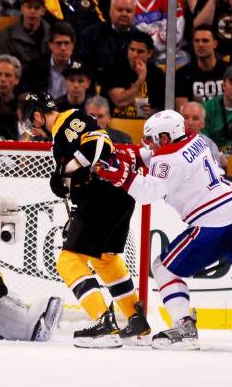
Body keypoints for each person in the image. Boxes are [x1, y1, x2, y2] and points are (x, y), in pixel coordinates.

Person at [107, 110, 232, 349]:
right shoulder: (196, 140)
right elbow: (150, 155)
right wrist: (113, 152)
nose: (148, 143)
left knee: (164, 268)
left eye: (152, 138)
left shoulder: (169, 158)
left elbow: (146, 192)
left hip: (213, 224)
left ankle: (184, 327)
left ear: (165, 137)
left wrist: (113, 171)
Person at [22, 91, 150, 348]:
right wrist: (66, 181)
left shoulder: (67, 121)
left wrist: (65, 170)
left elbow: (98, 144)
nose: (30, 129)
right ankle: (136, 319)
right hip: (118, 194)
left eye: (29, 122)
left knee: (68, 261)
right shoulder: (64, 130)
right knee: (104, 259)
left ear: (37, 116)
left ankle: (104, 323)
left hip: (103, 193)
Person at [106, 30, 164, 119]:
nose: (135, 55)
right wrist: (141, 78)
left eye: (140, 51)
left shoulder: (158, 74)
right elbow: (120, 102)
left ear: (149, 53)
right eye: (132, 49)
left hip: (147, 123)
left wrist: (153, 113)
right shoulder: (114, 70)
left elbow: (165, 108)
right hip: (117, 122)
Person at [176, 25, 227, 108]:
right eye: (197, 41)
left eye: (205, 41)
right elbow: (182, 111)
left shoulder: (228, 71)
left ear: (215, 44)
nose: (200, 44)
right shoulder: (182, 74)